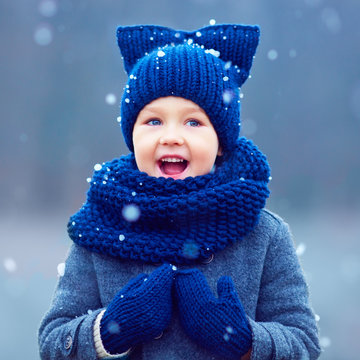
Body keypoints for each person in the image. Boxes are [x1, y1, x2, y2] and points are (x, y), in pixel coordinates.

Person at [38, 24, 321, 360]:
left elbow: (303, 344)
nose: (171, 136)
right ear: (133, 138)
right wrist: (109, 329)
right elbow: (53, 342)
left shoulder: (264, 235)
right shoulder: (100, 228)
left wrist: (245, 340)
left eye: (193, 122)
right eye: (154, 121)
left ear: (220, 144)